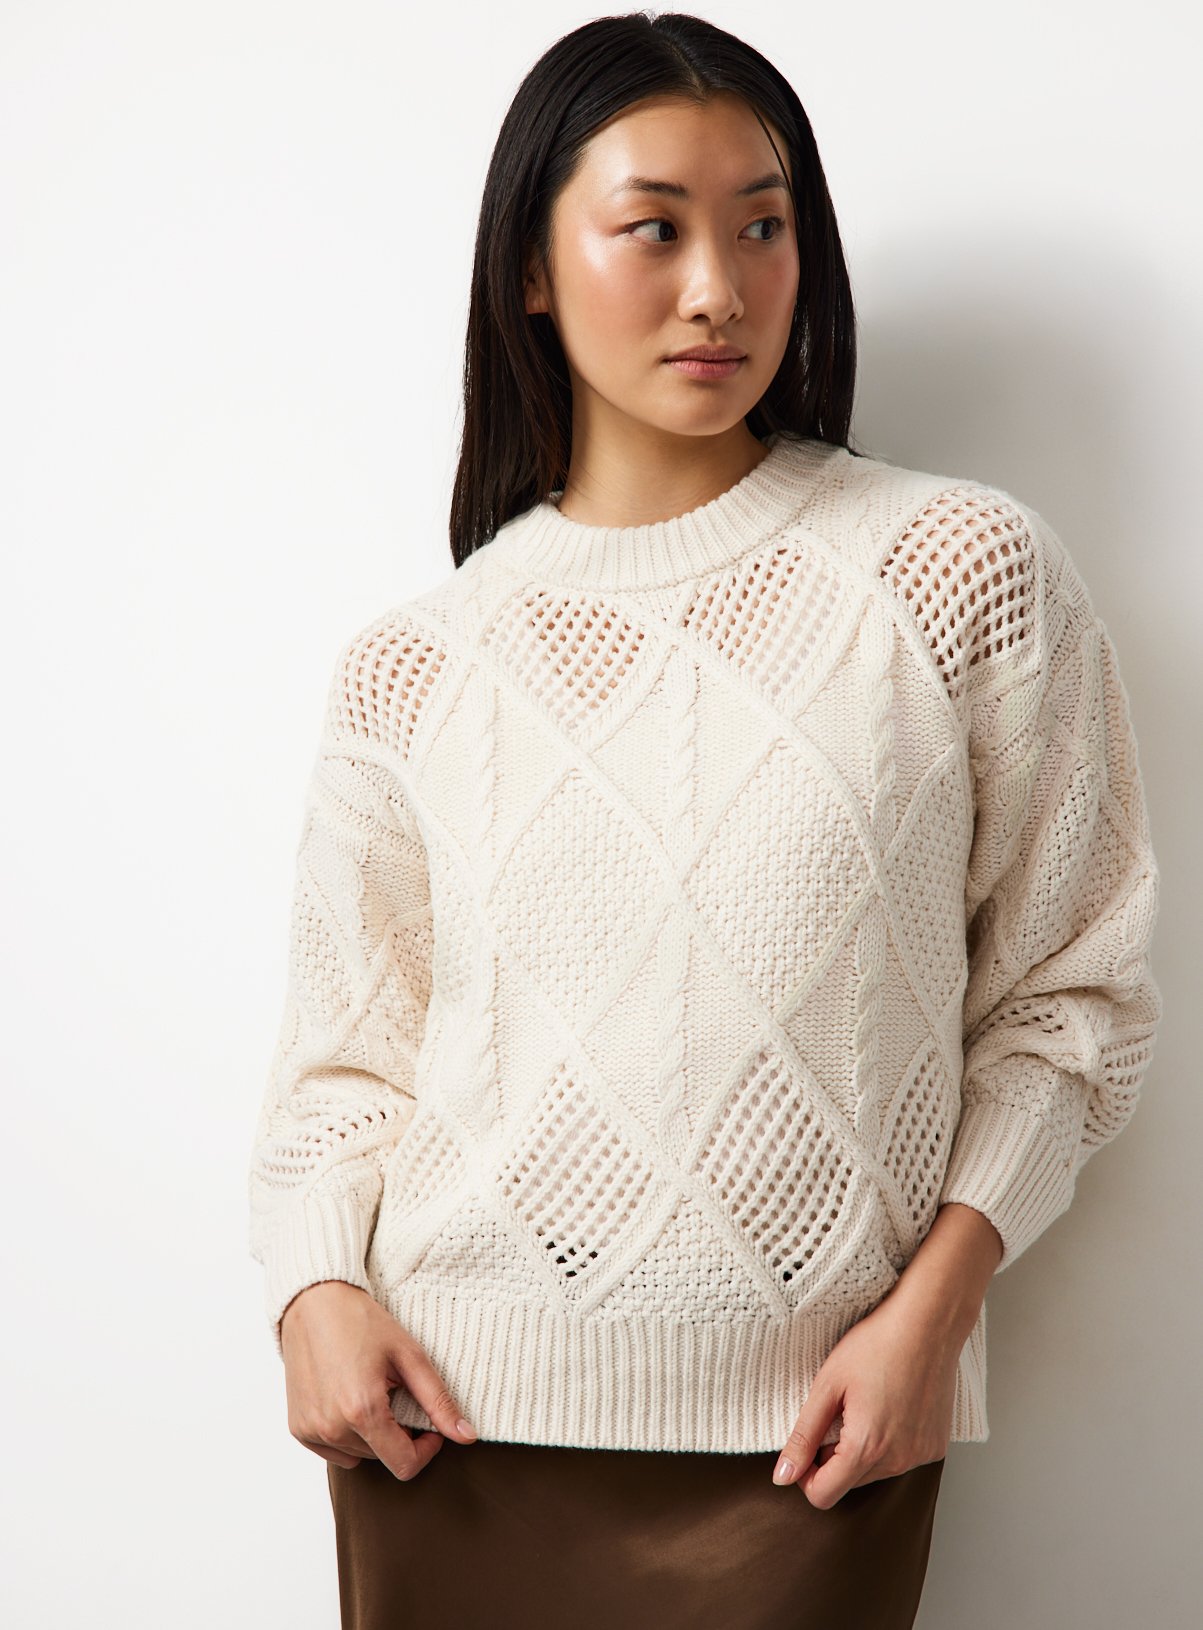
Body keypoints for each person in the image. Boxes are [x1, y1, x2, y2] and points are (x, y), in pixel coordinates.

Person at [246, 12, 1163, 1628]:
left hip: (820, 1440)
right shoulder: (417, 662)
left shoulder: (954, 573)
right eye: (654, 228)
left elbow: (1070, 1000)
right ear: (531, 270)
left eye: (762, 225)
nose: (720, 289)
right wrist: (313, 1284)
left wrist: (935, 1315)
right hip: (446, 1432)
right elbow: (344, 1063)